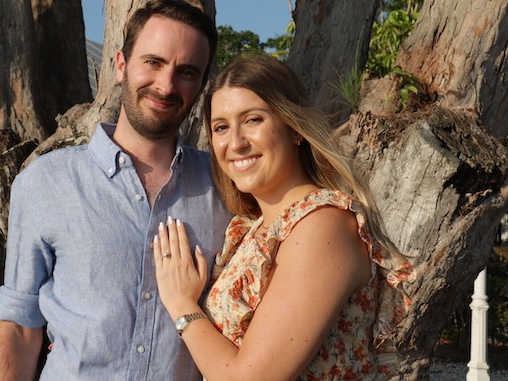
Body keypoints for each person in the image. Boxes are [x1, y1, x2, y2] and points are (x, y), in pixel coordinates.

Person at [0, 0, 231, 380]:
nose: (166, 85)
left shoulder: (227, 188)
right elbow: (19, 324)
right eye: (153, 62)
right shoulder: (45, 182)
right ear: (120, 65)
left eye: (186, 72)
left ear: (201, 86)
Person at [153, 55, 415, 380]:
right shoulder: (253, 228)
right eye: (221, 127)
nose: (236, 143)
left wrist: (182, 306)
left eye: (253, 120)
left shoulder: (322, 226)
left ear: (294, 129)